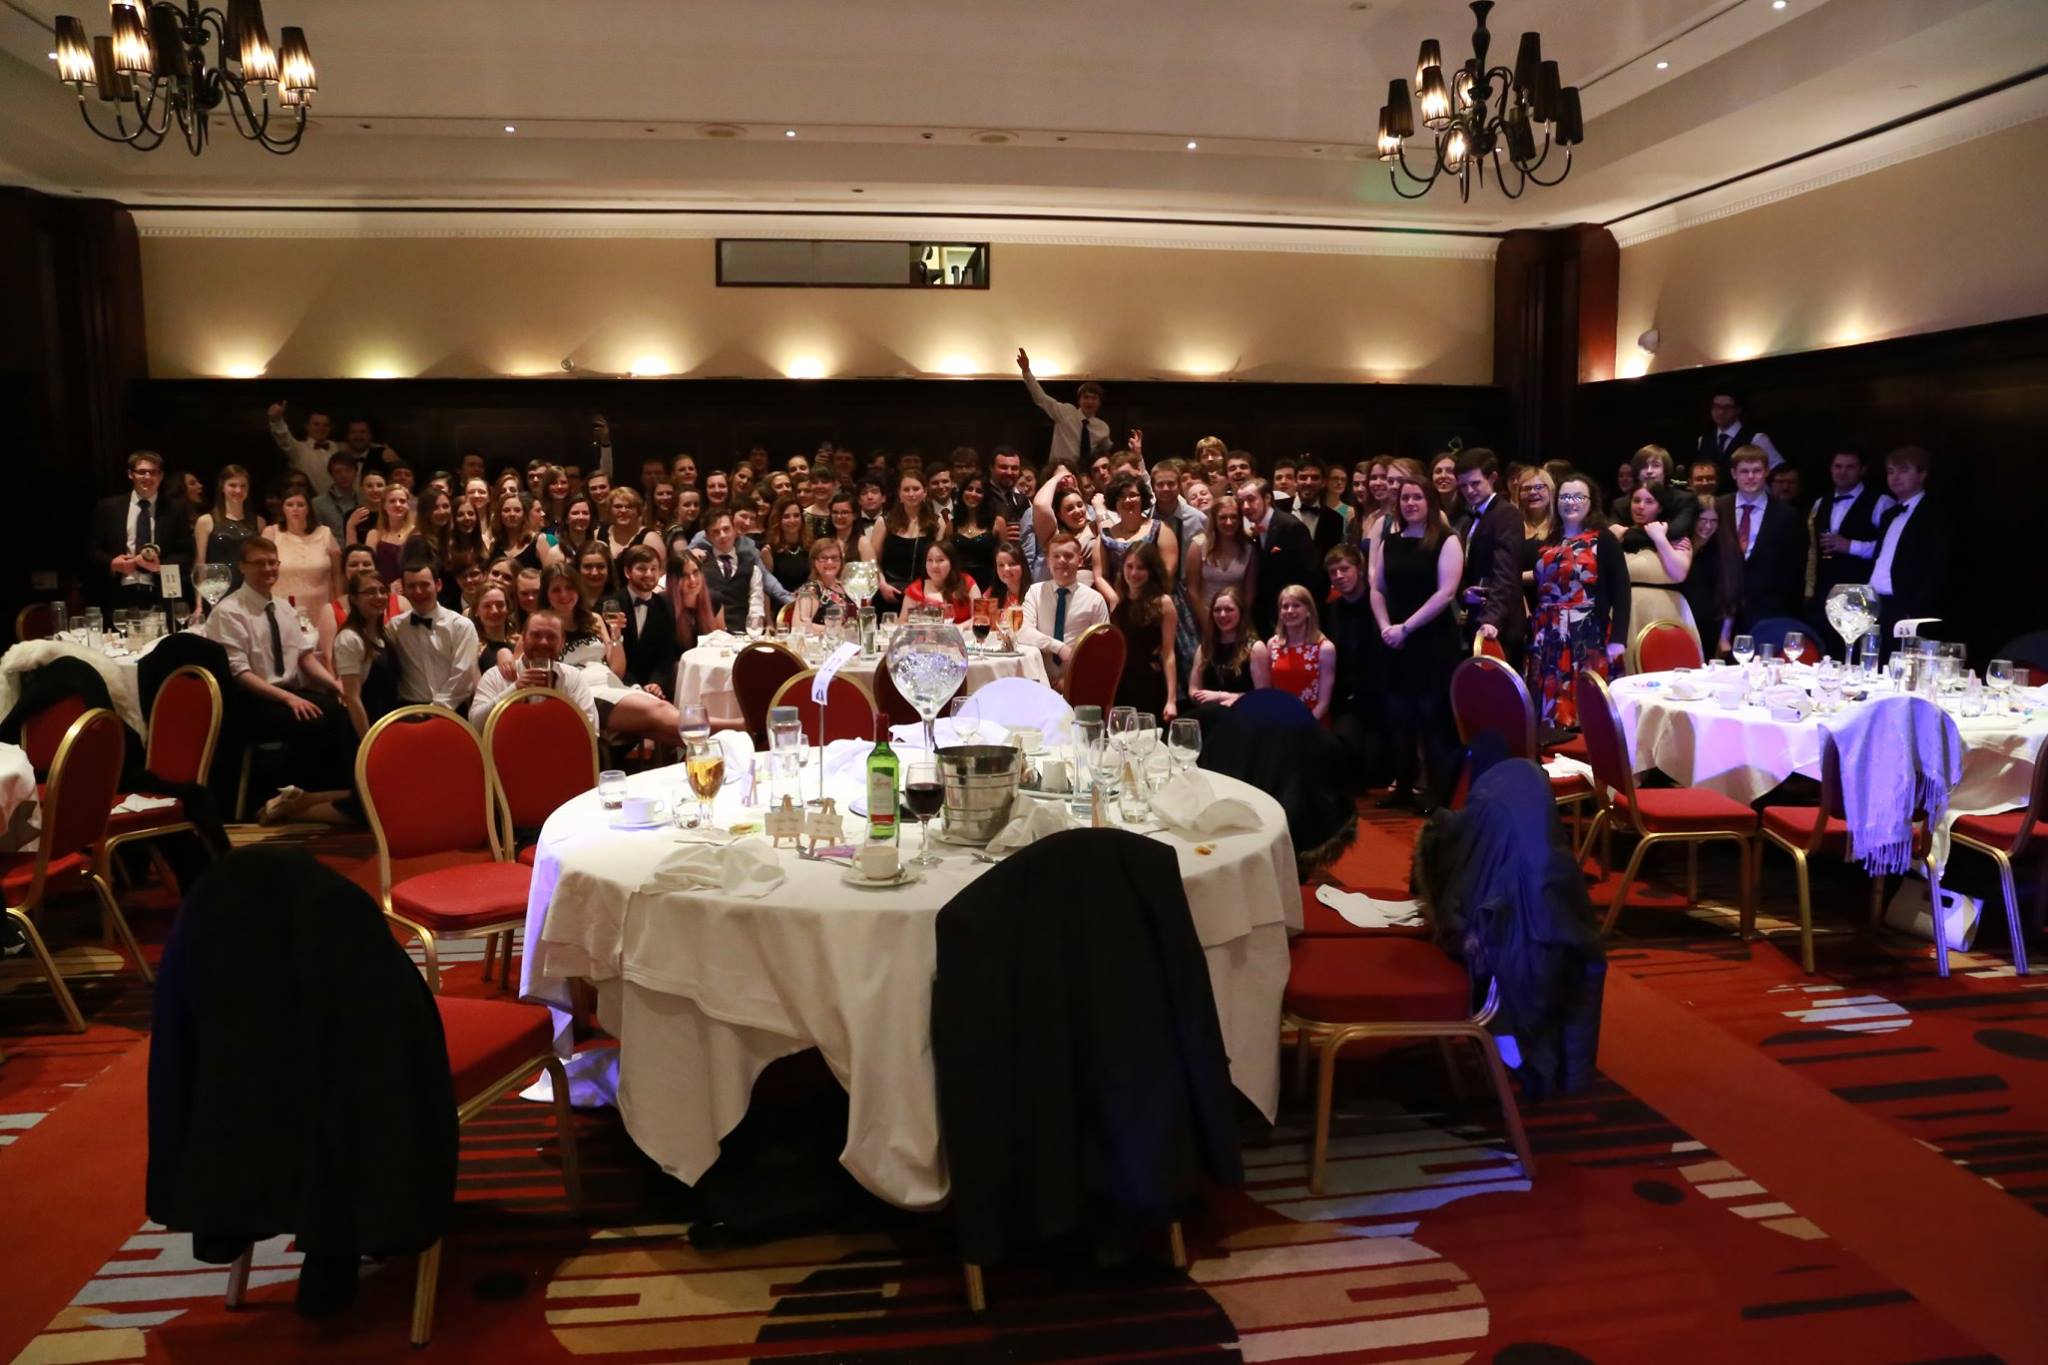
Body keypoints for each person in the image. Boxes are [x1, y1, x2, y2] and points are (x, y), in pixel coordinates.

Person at [204, 536, 355, 795]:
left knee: (341, 712)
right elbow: (240, 674)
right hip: (251, 701)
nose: (268, 569)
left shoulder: (284, 608)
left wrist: (336, 685)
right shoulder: (229, 612)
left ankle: (340, 793)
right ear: (242, 567)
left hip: (286, 693)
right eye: (259, 563)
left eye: (272, 563)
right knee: (313, 723)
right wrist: (289, 699)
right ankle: (294, 795)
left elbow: (304, 657)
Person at [1371, 467, 1464, 811]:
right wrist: (1386, 626)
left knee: (1431, 717)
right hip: (1395, 640)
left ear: (1430, 501)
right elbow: (1377, 589)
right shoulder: (1390, 541)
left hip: (1432, 640)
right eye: (1405, 498)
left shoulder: (1446, 540)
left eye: (1417, 497)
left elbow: (1446, 593)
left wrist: (1406, 628)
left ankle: (1436, 794)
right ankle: (1403, 788)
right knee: (1399, 717)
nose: (1410, 503)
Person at [1529, 475, 1631, 728]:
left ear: (1590, 501)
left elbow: (1621, 591)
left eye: (1578, 497)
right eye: (1564, 497)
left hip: (1589, 634)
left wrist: (1618, 638)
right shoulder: (1547, 541)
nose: (1570, 502)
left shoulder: (1603, 539)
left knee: (1589, 710)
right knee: (1550, 708)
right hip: (1549, 635)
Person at [546, 564, 681, 743]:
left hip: (612, 685)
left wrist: (616, 634)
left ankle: (711, 747)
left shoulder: (594, 619)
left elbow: (617, 670)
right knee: (659, 710)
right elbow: (520, 663)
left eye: (569, 588)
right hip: (583, 696)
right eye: (556, 590)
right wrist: (508, 655)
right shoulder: (541, 626)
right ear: (546, 594)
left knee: (664, 725)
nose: (564, 594)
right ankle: (718, 729)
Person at [89, 449, 194, 627]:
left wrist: (159, 567)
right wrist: (113, 564)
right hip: (118, 593)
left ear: (161, 476)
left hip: (160, 593)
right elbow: (91, 549)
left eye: (153, 472)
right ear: (130, 474)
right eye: (142, 472)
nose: (147, 477)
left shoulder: (175, 509)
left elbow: (186, 554)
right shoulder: (109, 507)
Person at [1714, 445, 1804, 649]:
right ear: (1733, 473)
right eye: (1744, 471)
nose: (1750, 477)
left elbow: (1794, 570)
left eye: (1756, 471)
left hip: (1768, 613)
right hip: (1720, 610)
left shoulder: (1787, 515)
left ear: (1767, 472)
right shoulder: (1718, 507)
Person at [1804, 449, 1888, 650]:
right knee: (1823, 651)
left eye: (1850, 467)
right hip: (1824, 593)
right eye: (1838, 466)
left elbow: (1887, 548)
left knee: (1854, 651)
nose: (1842, 472)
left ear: (1862, 470)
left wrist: (1850, 546)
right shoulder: (1820, 503)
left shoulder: (1881, 502)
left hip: (1860, 595)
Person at [467, 607, 600, 733]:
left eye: (551, 637)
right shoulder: (496, 676)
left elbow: (591, 729)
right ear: (523, 638)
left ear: (562, 642)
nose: (543, 642)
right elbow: (475, 725)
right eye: (536, 635)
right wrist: (514, 691)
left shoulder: (572, 677)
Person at [1868, 445, 1947, 646]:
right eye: (1890, 471)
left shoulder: (1935, 514)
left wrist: (1916, 609)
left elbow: (1937, 566)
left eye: (1904, 470)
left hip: (1907, 608)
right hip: (1878, 605)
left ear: (1922, 474)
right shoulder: (1889, 515)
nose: (1895, 477)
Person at [1453, 449, 1526, 661]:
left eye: (1475, 483)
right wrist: (1464, 592)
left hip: (1501, 623)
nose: (1469, 490)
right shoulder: (1468, 519)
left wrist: (1492, 619)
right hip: (1476, 617)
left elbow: (1506, 571)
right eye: (1463, 485)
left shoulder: (1506, 514)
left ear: (1493, 477)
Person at [1321, 544, 1384, 782]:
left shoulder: (1380, 605)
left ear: (1359, 569)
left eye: (1345, 569)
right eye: (1333, 572)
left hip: (1380, 700)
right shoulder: (1330, 611)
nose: (1339, 576)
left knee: (1377, 770)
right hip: (1347, 701)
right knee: (1348, 760)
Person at [387, 558, 481, 713]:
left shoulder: (461, 626)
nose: (418, 591)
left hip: (452, 712)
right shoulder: (395, 627)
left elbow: (464, 677)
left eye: (424, 585)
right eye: (412, 586)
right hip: (408, 711)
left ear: (438, 585)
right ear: (403, 589)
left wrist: (435, 710)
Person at [1613, 483, 1699, 655]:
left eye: (1649, 501)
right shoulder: (1618, 534)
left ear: (1660, 507)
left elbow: (1679, 573)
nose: (1641, 506)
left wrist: (1660, 538)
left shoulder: (1675, 539)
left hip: (1664, 613)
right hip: (1622, 612)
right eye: (1636, 500)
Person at [1015, 532, 1110, 677]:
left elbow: (1101, 649)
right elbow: (1023, 632)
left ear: (1080, 561)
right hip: (1038, 676)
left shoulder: (1095, 600)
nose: (1062, 560)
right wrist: (1059, 648)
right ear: (1048, 562)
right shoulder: (1035, 592)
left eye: (1068, 556)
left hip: (1079, 678)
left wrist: (1070, 677)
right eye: (1056, 556)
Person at [1238, 477, 1321, 636]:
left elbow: (1309, 576)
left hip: (1294, 616)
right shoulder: (1257, 529)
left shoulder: (1291, 526)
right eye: (1241, 502)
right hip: (1269, 618)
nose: (1245, 507)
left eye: (1251, 499)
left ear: (1267, 498)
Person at [1108, 541, 1178, 720]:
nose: (1133, 573)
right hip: (1122, 683)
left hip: (1150, 683)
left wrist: (1171, 700)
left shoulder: (1163, 603)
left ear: (1152, 571)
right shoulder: (1118, 603)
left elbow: (1168, 653)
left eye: (1141, 568)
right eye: (1129, 566)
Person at [271, 487, 340, 666]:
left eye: (300, 505)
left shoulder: (325, 533)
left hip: (320, 613)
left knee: (323, 664)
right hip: (283, 612)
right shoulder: (272, 533)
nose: (295, 509)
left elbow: (337, 575)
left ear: (309, 508)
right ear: (282, 508)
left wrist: (338, 609)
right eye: (290, 504)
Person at [1251, 584, 1336, 724]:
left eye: (1296, 606)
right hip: (1279, 719)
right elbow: (1268, 691)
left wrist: (1303, 726)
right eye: (1285, 607)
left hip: (1312, 721)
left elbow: (1324, 703)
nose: (1290, 611)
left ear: (1308, 611)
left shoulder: (1325, 648)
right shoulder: (1272, 644)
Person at [332, 570, 402, 738]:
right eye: (370, 592)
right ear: (354, 599)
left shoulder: (384, 634)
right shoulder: (349, 639)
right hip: (365, 732)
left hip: (388, 726)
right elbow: (353, 700)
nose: (379, 596)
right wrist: (369, 742)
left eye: (382, 591)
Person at [1095, 473, 1180, 608]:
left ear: (1143, 498)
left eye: (1133, 495)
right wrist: (1115, 600)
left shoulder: (1161, 529)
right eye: (1121, 496)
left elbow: (1167, 572)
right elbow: (1100, 576)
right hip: (1119, 604)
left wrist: (1145, 599)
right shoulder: (1105, 536)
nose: (1127, 500)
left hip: (1155, 603)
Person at [864, 470, 946, 606]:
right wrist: (882, 586)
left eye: (916, 489)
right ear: (899, 493)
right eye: (906, 489)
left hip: (924, 593)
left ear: (925, 492)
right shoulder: (884, 522)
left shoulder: (937, 523)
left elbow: (939, 563)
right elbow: (873, 563)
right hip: (889, 591)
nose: (911, 494)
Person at [1017, 348, 1109, 468]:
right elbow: (1041, 398)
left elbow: (1105, 452)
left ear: (1099, 403)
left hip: (1084, 473)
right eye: (1086, 397)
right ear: (1079, 400)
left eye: (1094, 398)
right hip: (1058, 468)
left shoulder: (1103, 428)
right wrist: (1026, 371)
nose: (1089, 401)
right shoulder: (1066, 412)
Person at [616, 544, 681, 700]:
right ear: (627, 572)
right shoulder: (612, 604)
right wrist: (635, 686)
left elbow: (666, 654)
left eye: (653, 569)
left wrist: (656, 683)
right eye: (642, 569)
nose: (649, 574)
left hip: (654, 687)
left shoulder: (665, 605)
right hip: (619, 685)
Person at [192, 464, 265, 588]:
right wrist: (199, 598)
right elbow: (200, 564)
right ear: (222, 487)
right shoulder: (206, 521)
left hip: (250, 589)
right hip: (218, 590)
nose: (238, 490)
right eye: (232, 485)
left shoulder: (259, 522)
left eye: (243, 486)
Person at [1187, 585, 1254, 718]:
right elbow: (1193, 689)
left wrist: (1220, 696)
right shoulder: (1204, 648)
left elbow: (1262, 694)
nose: (1222, 614)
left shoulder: (1254, 648)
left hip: (1242, 716)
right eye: (1217, 610)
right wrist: (1201, 697)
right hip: (1209, 714)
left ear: (1241, 612)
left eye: (1229, 610)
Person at [699, 508, 767, 630]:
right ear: (708, 537)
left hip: (743, 633)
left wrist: (754, 631)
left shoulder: (752, 569)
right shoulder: (699, 565)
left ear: (735, 530)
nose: (723, 535)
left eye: (726, 529)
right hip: (710, 634)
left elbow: (756, 606)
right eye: (716, 532)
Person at [1028, 470, 1098, 585]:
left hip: (1097, 591)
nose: (1077, 511)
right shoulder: (1056, 536)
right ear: (1060, 515)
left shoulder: (1096, 526)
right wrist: (1058, 477)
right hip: (1064, 592)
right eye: (1070, 508)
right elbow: (1040, 505)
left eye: (1080, 505)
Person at [266, 400, 344, 494]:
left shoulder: (338, 447)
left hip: (338, 501)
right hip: (308, 501)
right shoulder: (298, 448)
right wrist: (276, 420)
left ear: (330, 428)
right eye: (316, 424)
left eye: (325, 425)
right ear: (307, 426)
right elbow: (283, 436)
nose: (321, 428)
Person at [663, 535, 723, 651]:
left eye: (695, 572)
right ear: (674, 580)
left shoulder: (714, 599)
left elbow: (721, 643)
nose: (692, 580)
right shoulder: (663, 605)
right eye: (684, 575)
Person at [1698, 391, 1784, 472]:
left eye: (1727, 407)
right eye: (1716, 406)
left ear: (1738, 409)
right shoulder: (1704, 440)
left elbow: (1778, 470)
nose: (1721, 412)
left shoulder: (1756, 439)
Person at [947, 474, 1005, 590]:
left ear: (985, 496)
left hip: (989, 586)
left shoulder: (997, 523)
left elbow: (1005, 557)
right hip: (959, 586)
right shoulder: (951, 525)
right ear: (962, 492)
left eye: (979, 491)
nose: (973, 494)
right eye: (969, 489)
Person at [904, 540, 979, 623]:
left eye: (940, 560)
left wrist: (959, 628)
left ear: (951, 563)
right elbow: (903, 621)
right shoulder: (915, 589)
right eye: (929, 560)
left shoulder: (967, 582)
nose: (934, 565)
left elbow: (980, 618)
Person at [790, 537, 855, 632]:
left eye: (834, 557)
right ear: (814, 562)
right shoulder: (811, 590)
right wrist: (837, 630)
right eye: (824, 558)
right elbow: (799, 626)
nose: (830, 562)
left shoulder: (844, 587)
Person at [365, 484, 418, 585]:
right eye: (392, 501)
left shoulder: (416, 533)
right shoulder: (373, 535)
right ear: (384, 506)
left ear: (408, 506)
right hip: (382, 590)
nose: (398, 505)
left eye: (402, 501)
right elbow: (369, 572)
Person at [762, 495, 814, 596]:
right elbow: (767, 589)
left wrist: (802, 596)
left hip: (807, 600)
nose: (792, 520)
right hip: (781, 603)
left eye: (796, 515)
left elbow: (814, 581)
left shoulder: (810, 546)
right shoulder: (769, 551)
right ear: (778, 520)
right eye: (786, 517)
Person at [470, 581, 517, 678]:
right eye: (487, 606)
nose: (494, 611)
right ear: (476, 611)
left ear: (507, 608)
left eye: (500, 605)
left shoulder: (517, 644)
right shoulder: (473, 648)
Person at [310, 451, 361, 541]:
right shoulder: (318, 504)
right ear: (332, 475)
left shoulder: (364, 500)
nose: (343, 475)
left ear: (355, 472)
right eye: (338, 471)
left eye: (348, 470)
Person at [985, 445, 1029, 540]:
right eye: (1003, 467)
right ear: (991, 468)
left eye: (1014, 468)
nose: (1009, 472)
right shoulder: (980, 496)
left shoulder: (1022, 500)